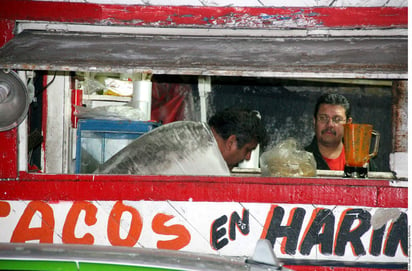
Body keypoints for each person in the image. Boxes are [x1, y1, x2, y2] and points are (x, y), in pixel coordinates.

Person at [97, 107, 267, 175]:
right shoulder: (211, 165)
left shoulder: (189, 128)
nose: (246, 158)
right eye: (247, 150)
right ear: (231, 142)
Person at [304, 93, 352, 170]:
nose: (330, 125)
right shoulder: (300, 161)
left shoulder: (361, 162)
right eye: (323, 118)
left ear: (348, 124)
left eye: (337, 119)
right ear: (314, 121)